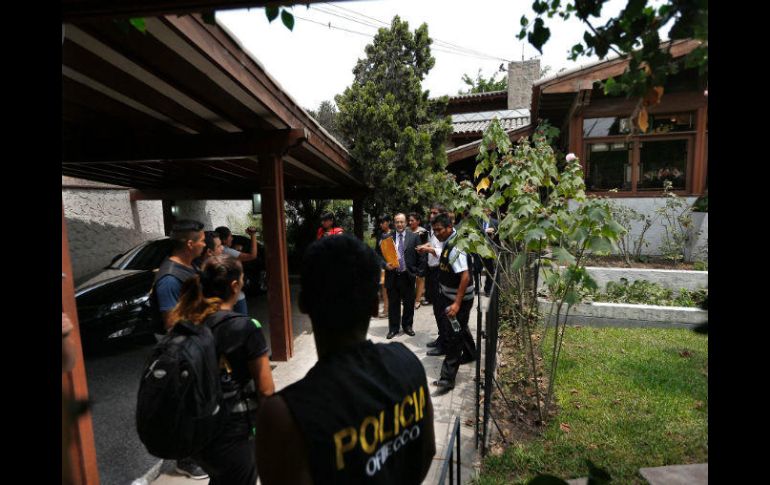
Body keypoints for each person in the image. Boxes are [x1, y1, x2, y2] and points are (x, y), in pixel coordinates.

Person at [255, 234, 435, 484]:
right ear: (374, 306)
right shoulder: (408, 364)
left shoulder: (284, 417)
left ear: (302, 303)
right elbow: (426, 452)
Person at [168, 254, 275, 485]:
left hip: (199, 431)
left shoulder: (189, 323)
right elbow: (266, 390)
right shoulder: (246, 326)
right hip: (234, 431)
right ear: (235, 285)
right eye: (242, 279)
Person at [150, 219, 209, 480]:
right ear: (189, 244)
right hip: (181, 352)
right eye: (202, 240)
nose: (205, 244)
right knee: (185, 404)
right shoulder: (169, 278)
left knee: (199, 401)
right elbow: (172, 323)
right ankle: (185, 461)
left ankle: (199, 449)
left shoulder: (189, 266)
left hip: (196, 345)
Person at [430, 213, 477, 395]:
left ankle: (447, 379)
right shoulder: (448, 241)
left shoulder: (457, 246)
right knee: (460, 327)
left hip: (459, 300)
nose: (437, 234)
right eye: (434, 230)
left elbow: (465, 276)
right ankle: (471, 353)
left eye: (439, 230)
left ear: (450, 227)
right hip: (448, 295)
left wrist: (456, 304)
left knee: (453, 337)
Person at [416, 204, 449, 356]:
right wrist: (426, 245)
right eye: (430, 213)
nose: (431, 215)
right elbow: (434, 244)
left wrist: (428, 249)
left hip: (440, 271)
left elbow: (445, 251)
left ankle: (444, 344)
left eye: (435, 213)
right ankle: (441, 338)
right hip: (432, 271)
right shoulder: (433, 229)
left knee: (441, 309)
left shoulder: (445, 231)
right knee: (436, 308)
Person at [384, 213, 422, 339]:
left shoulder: (414, 237)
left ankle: (407, 326)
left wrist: (417, 271)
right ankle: (393, 328)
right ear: (394, 223)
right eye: (397, 222)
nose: (399, 224)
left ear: (406, 223)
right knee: (393, 304)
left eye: (402, 222)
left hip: (408, 275)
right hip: (392, 275)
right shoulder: (387, 238)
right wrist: (384, 265)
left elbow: (420, 256)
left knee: (409, 303)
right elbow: (378, 255)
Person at [214, 226, 258, 315]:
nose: (232, 238)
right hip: (235, 295)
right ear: (224, 240)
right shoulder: (226, 251)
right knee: (241, 319)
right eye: (230, 236)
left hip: (222, 294)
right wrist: (253, 235)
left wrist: (234, 250)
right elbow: (252, 255)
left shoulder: (220, 251)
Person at [373, 215, 393, 319]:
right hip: (384, 266)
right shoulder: (379, 235)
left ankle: (393, 309)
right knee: (384, 288)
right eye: (380, 223)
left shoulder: (394, 234)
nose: (381, 224)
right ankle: (386, 309)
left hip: (395, 265)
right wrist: (383, 264)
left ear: (388, 222)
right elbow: (377, 252)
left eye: (383, 222)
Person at [408, 212, 429, 309]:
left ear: (418, 221)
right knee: (410, 278)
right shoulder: (406, 231)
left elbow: (429, 243)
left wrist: (422, 247)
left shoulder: (423, 232)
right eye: (409, 220)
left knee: (420, 278)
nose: (410, 222)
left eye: (412, 220)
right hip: (410, 257)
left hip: (421, 257)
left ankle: (418, 300)